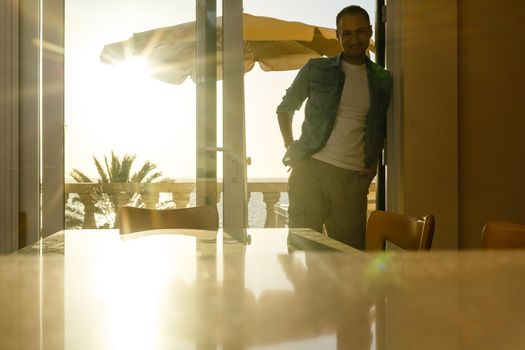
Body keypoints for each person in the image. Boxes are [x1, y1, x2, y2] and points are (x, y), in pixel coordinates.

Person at [276, 5, 392, 249]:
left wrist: (373, 164)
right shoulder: (315, 69)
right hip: (310, 171)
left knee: (349, 257)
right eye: (346, 34)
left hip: (351, 179)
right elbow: (285, 108)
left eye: (360, 32)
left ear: (370, 31)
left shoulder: (383, 79)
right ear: (338, 36)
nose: (354, 40)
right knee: (302, 252)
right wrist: (291, 145)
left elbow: (381, 127)